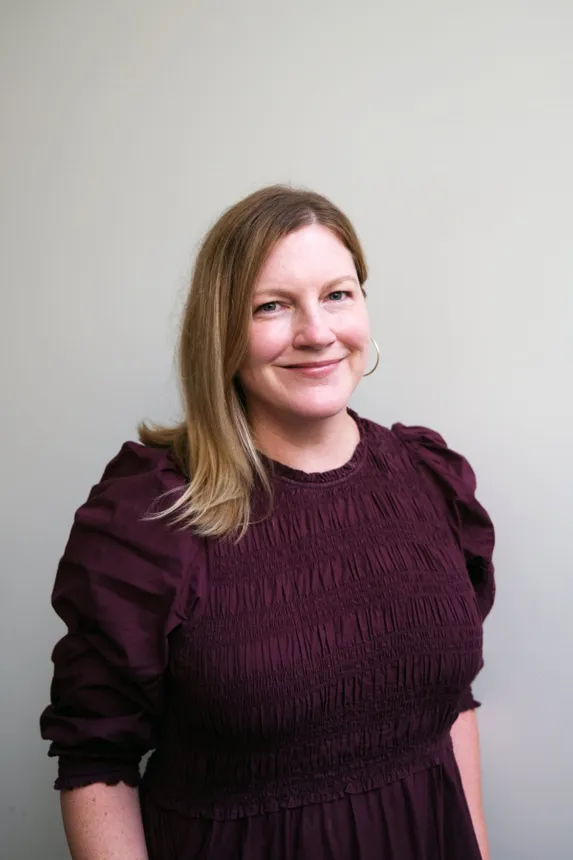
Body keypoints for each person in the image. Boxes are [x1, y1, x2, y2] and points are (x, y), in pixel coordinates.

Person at [40, 185, 495, 860]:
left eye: (337, 294)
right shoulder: (151, 515)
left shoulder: (428, 478)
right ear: (221, 330)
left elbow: (449, 705)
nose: (316, 332)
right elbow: (95, 761)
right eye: (272, 306)